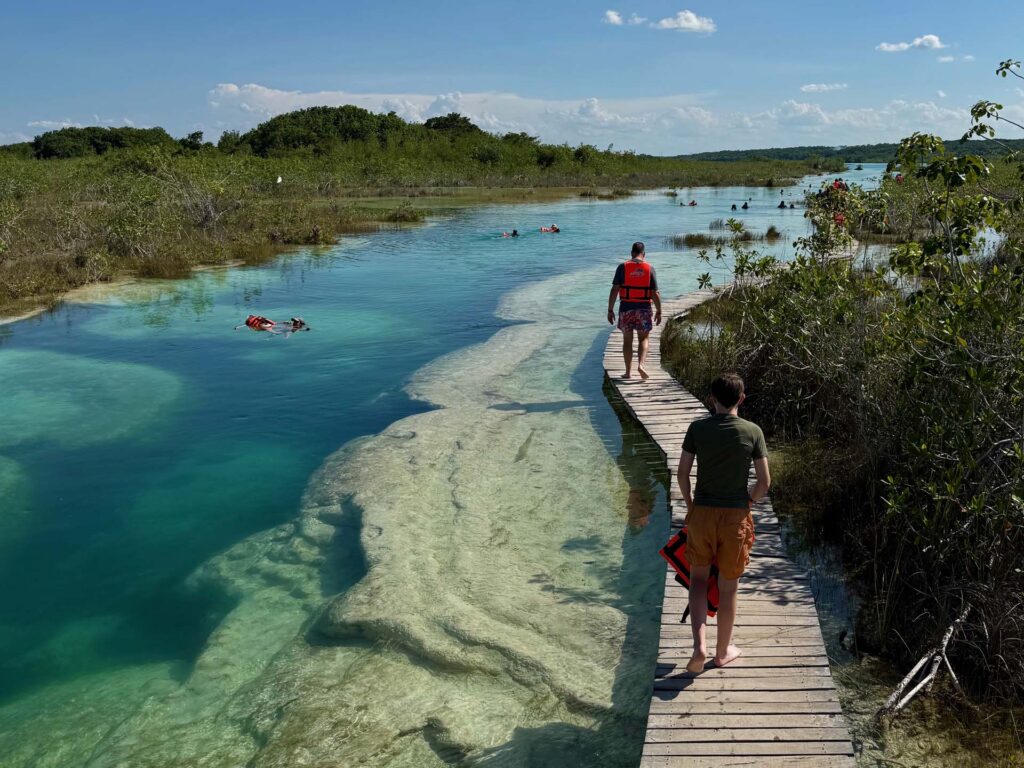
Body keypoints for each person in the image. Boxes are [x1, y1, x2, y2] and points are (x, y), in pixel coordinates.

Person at [676, 373, 770, 673]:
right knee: (729, 588)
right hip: (735, 517)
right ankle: (721, 651)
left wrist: (691, 505)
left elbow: (682, 473)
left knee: (698, 580)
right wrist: (749, 503)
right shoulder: (752, 431)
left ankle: (698, 645)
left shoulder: (697, 428)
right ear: (741, 399)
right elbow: (764, 482)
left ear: (711, 398)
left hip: (702, 512)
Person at [607, 241, 662, 380]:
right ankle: (641, 365)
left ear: (631, 253)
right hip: (643, 309)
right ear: (644, 254)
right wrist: (659, 311)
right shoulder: (650, 268)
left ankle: (627, 372)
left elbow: (615, 289)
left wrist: (610, 309)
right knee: (643, 339)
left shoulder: (622, 267)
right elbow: (655, 293)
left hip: (626, 308)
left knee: (627, 341)